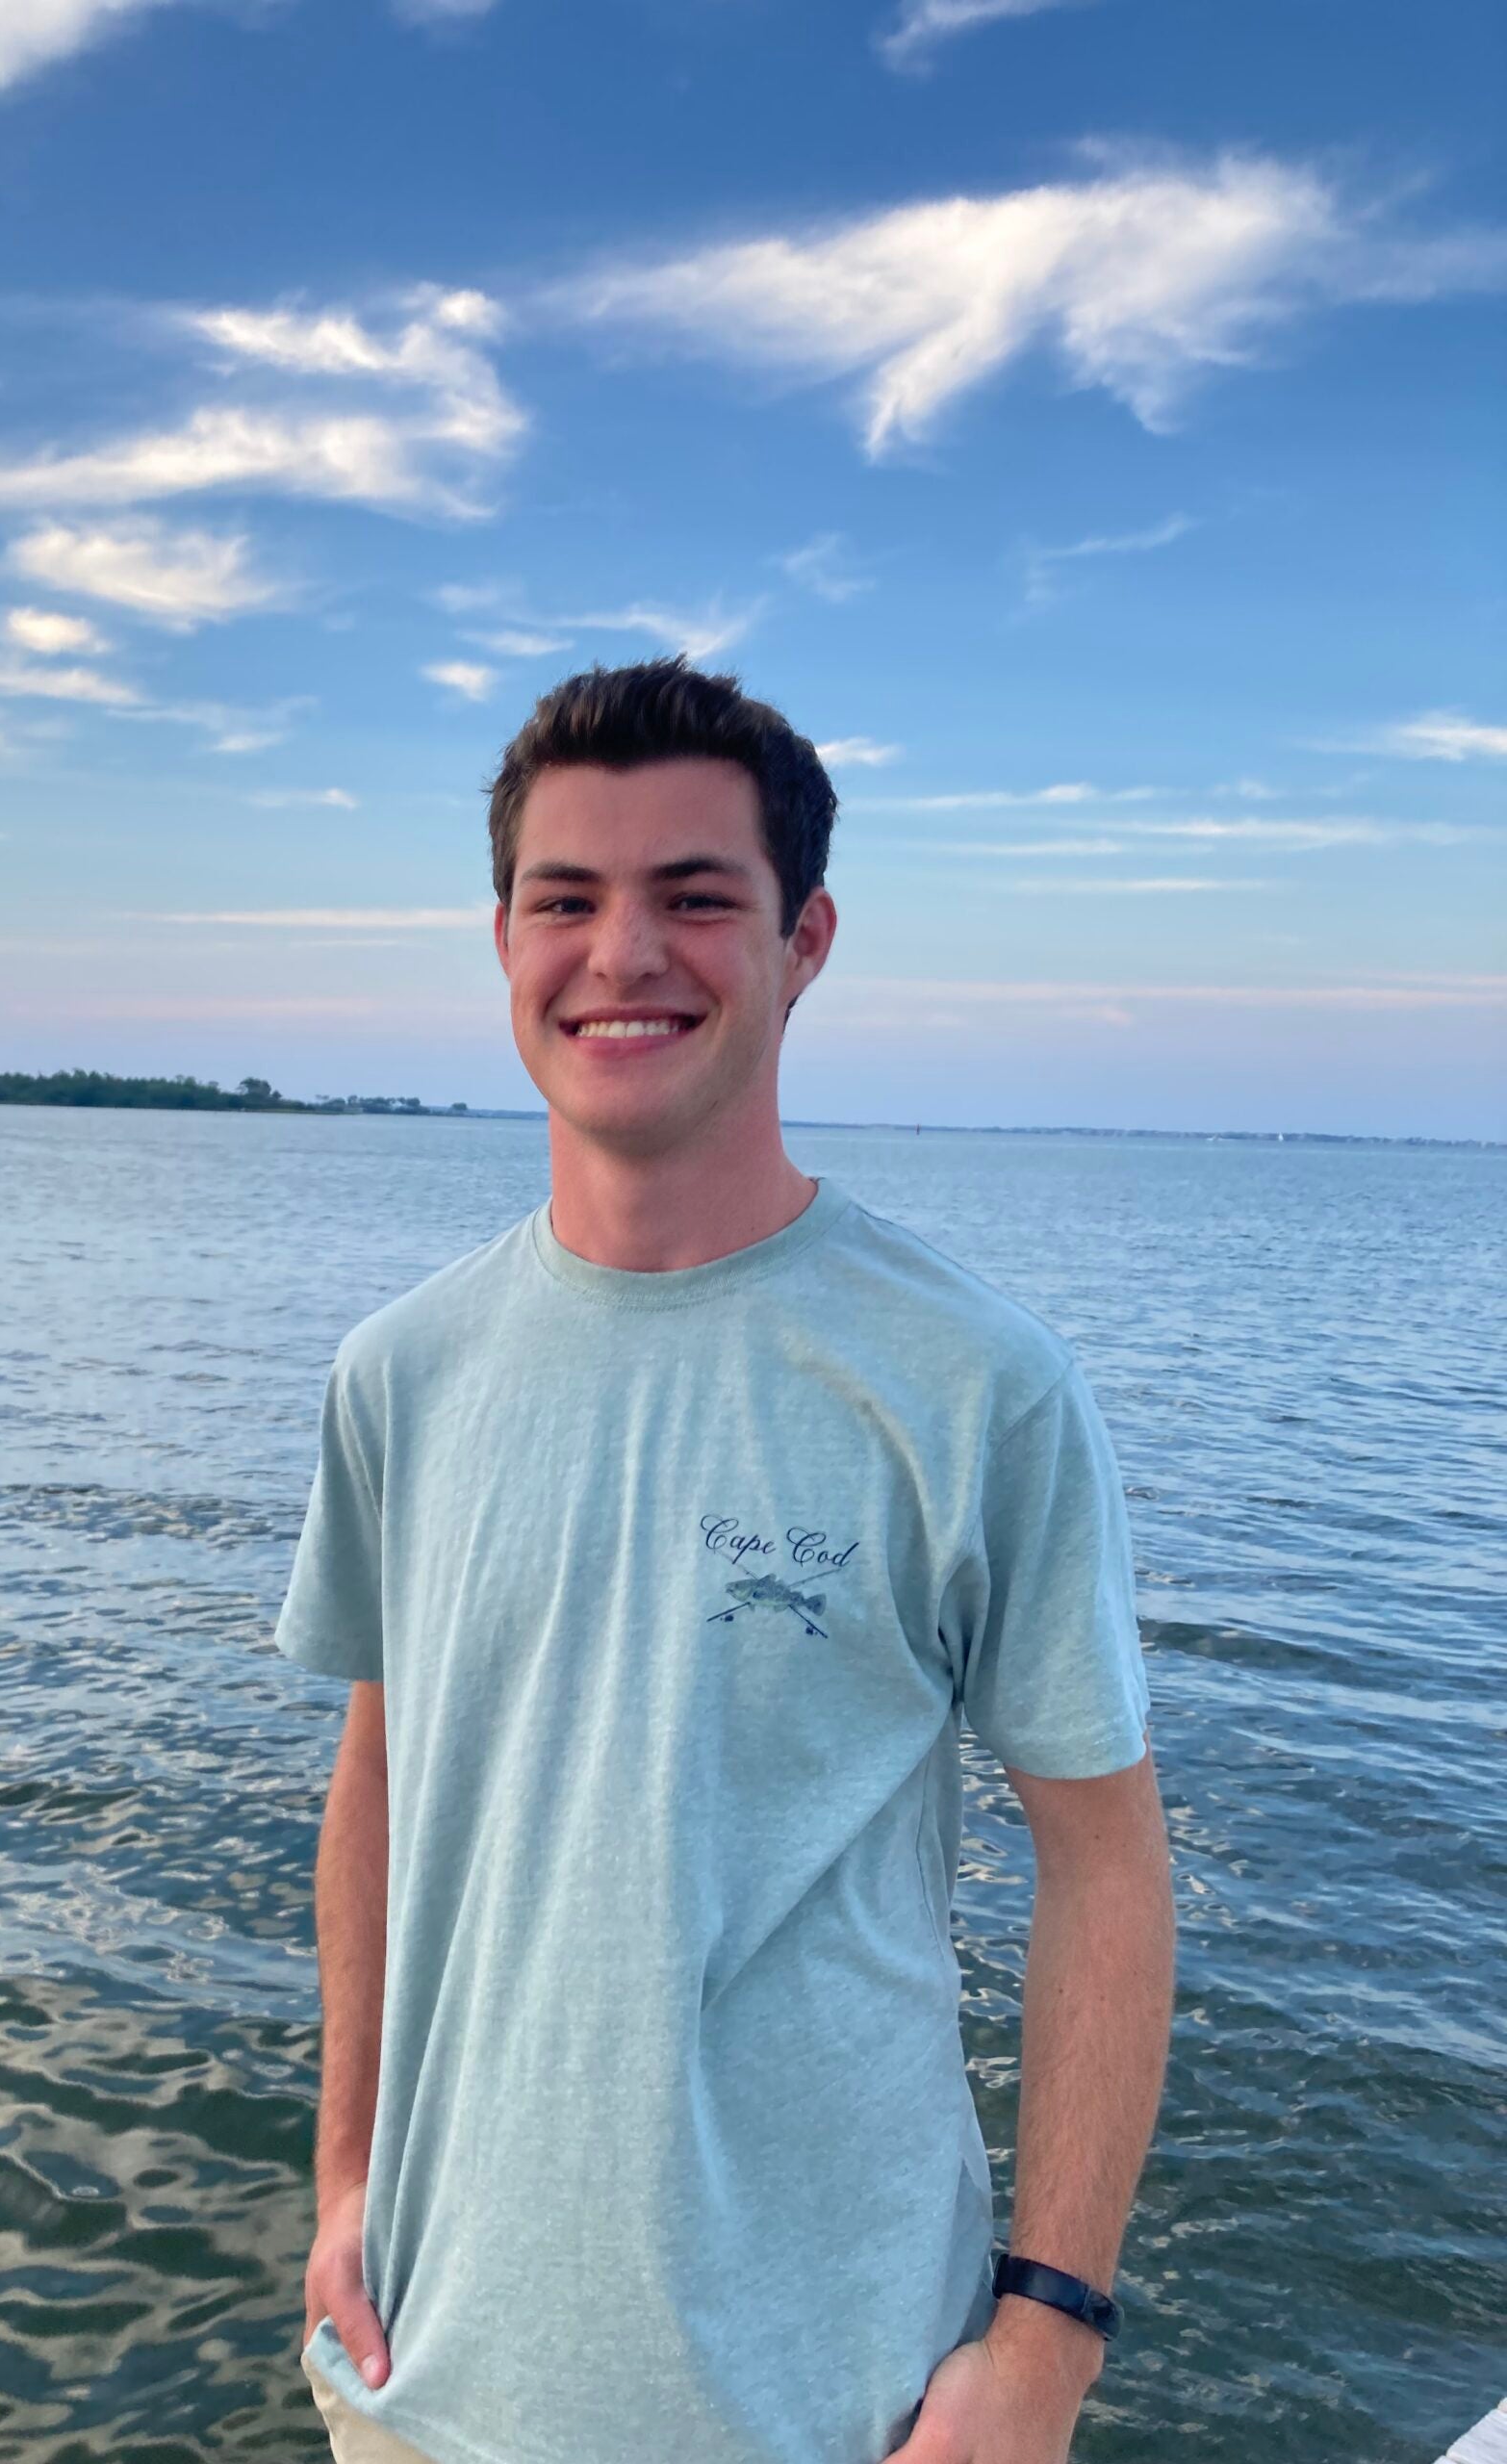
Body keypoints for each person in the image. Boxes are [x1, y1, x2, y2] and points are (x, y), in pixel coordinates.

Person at [275, 656, 1176, 2464]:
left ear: (804, 939)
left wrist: (1047, 2340)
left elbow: (1107, 1866)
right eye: (567, 899)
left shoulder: (974, 1386)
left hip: (832, 2406)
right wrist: (346, 2178)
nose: (623, 956)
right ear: (503, 938)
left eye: (696, 897)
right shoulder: (403, 1372)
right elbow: (381, 1776)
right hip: (426, 2382)